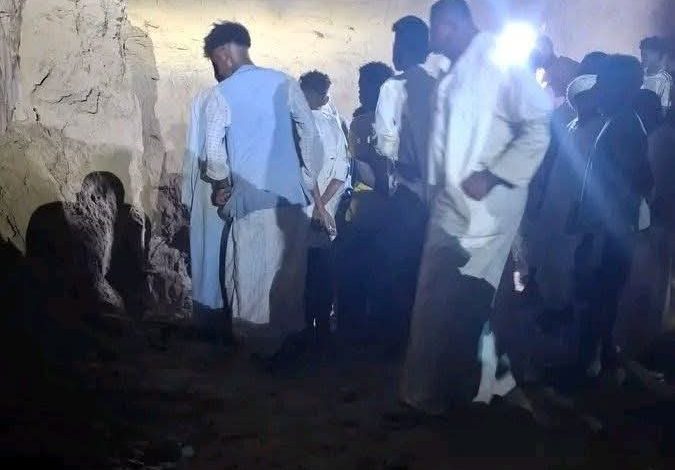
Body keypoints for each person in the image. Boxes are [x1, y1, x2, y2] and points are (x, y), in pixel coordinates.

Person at [400, 0, 552, 414]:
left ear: (451, 25)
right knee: (451, 302)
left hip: (486, 209)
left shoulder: (499, 63)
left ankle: (435, 397)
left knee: (449, 303)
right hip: (451, 205)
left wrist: (494, 175)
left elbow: (538, 127)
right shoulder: (452, 74)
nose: (432, 40)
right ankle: (459, 391)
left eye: (435, 30)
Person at [202, 22, 322, 358]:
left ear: (224, 53)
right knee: (289, 282)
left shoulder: (222, 94)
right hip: (293, 203)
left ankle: (257, 361)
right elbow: (310, 135)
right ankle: (287, 358)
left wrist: (222, 185)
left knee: (251, 284)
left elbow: (213, 151)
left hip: (252, 203)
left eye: (215, 62)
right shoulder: (285, 82)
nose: (216, 71)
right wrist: (306, 180)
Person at [572, 55, 653, 378]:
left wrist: (597, 225)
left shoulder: (624, 127)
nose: (598, 91)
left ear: (621, 88)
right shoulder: (621, 122)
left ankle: (589, 368)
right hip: (609, 229)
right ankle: (602, 359)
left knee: (600, 296)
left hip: (609, 232)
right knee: (601, 296)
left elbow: (632, 182)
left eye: (604, 84)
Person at [374, 15, 450, 344]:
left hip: (408, 196)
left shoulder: (394, 87)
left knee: (400, 271)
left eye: (397, 43)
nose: (394, 51)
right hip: (445, 197)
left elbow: (385, 147)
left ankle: (399, 342)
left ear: (404, 47)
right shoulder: (444, 84)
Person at [335, 62, 393, 342]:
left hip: (366, 213)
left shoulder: (363, 123)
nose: (359, 91)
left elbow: (368, 173)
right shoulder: (400, 120)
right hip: (390, 214)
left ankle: (353, 335)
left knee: (356, 277)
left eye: (364, 86)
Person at [299, 70, 350, 345]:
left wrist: (318, 206)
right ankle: (321, 330)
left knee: (305, 273)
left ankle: (308, 329)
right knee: (323, 272)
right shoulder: (336, 125)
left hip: (307, 210)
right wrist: (326, 205)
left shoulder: (303, 124)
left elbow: (307, 173)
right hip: (328, 210)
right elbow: (341, 172)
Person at [181, 63, 230, 342]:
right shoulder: (223, 99)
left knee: (207, 254)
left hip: (205, 188)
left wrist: (187, 194)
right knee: (219, 255)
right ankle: (219, 322)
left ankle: (207, 320)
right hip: (221, 187)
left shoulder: (202, 98)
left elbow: (191, 150)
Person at [640, 36, 673, 113]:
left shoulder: (665, 79)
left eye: (647, 54)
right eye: (642, 54)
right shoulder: (638, 74)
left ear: (658, 55)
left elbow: (664, 108)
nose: (643, 58)